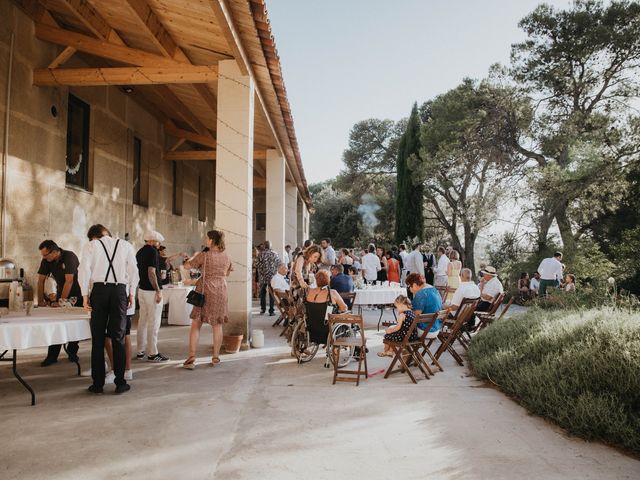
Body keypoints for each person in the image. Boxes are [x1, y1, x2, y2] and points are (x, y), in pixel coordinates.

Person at [79, 224, 139, 394]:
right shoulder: (126, 245)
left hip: (99, 290)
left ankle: (97, 384)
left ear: (94, 236)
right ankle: (120, 382)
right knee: (118, 337)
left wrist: (85, 295)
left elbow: (83, 270)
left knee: (98, 339)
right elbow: (134, 271)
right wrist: (131, 293)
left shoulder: (92, 245)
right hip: (120, 290)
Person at [182, 230, 233, 369]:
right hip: (221, 291)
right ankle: (215, 357)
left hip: (204, 290)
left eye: (207, 238)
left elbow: (187, 266)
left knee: (196, 324)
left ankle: (191, 358)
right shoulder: (226, 256)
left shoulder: (204, 255)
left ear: (212, 240)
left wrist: (193, 257)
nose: (206, 240)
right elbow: (227, 273)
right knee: (217, 325)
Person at [37, 240, 83, 367]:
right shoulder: (47, 260)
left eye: (46, 255)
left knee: (74, 326)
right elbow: (40, 280)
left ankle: (72, 353)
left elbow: (69, 281)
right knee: (56, 325)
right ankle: (52, 356)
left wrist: (61, 301)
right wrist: (40, 300)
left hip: (76, 295)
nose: (44, 257)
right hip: (61, 293)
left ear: (55, 252)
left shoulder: (69, 257)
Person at [136, 230, 169, 362]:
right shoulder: (152, 252)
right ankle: (153, 353)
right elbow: (151, 272)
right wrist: (158, 290)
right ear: (151, 241)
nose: (158, 244)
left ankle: (140, 351)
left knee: (142, 321)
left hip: (142, 290)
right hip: (151, 291)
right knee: (154, 323)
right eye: (157, 241)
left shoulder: (140, 252)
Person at [304, 270, 348, 344]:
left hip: (312, 327)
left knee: (328, 310)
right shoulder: (332, 292)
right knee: (344, 317)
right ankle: (352, 346)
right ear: (328, 280)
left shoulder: (309, 291)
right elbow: (344, 308)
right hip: (326, 327)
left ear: (316, 280)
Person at [257, 240, 280, 316]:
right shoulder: (275, 253)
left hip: (263, 277)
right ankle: (271, 311)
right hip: (272, 277)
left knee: (262, 293)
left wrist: (262, 273)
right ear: (271, 246)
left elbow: (258, 265)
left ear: (264, 246)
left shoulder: (261, 254)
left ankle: (263, 309)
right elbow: (278, 264)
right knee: (272, 293)